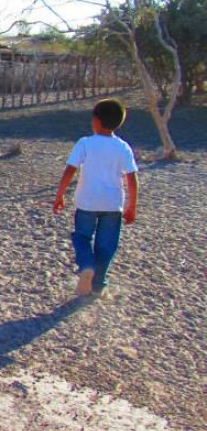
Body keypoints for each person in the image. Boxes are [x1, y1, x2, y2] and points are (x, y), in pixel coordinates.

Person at [53, 98, 139, 297]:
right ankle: (98, 285)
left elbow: (69, 171)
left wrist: (60, 195)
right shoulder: (123, 147)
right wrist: (132, 206)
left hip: (87, 203)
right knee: (107, 245)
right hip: (112, 205)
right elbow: (132, 178)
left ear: (96, 121)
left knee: (81, 237)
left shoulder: (85, 143)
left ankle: (87, 266)